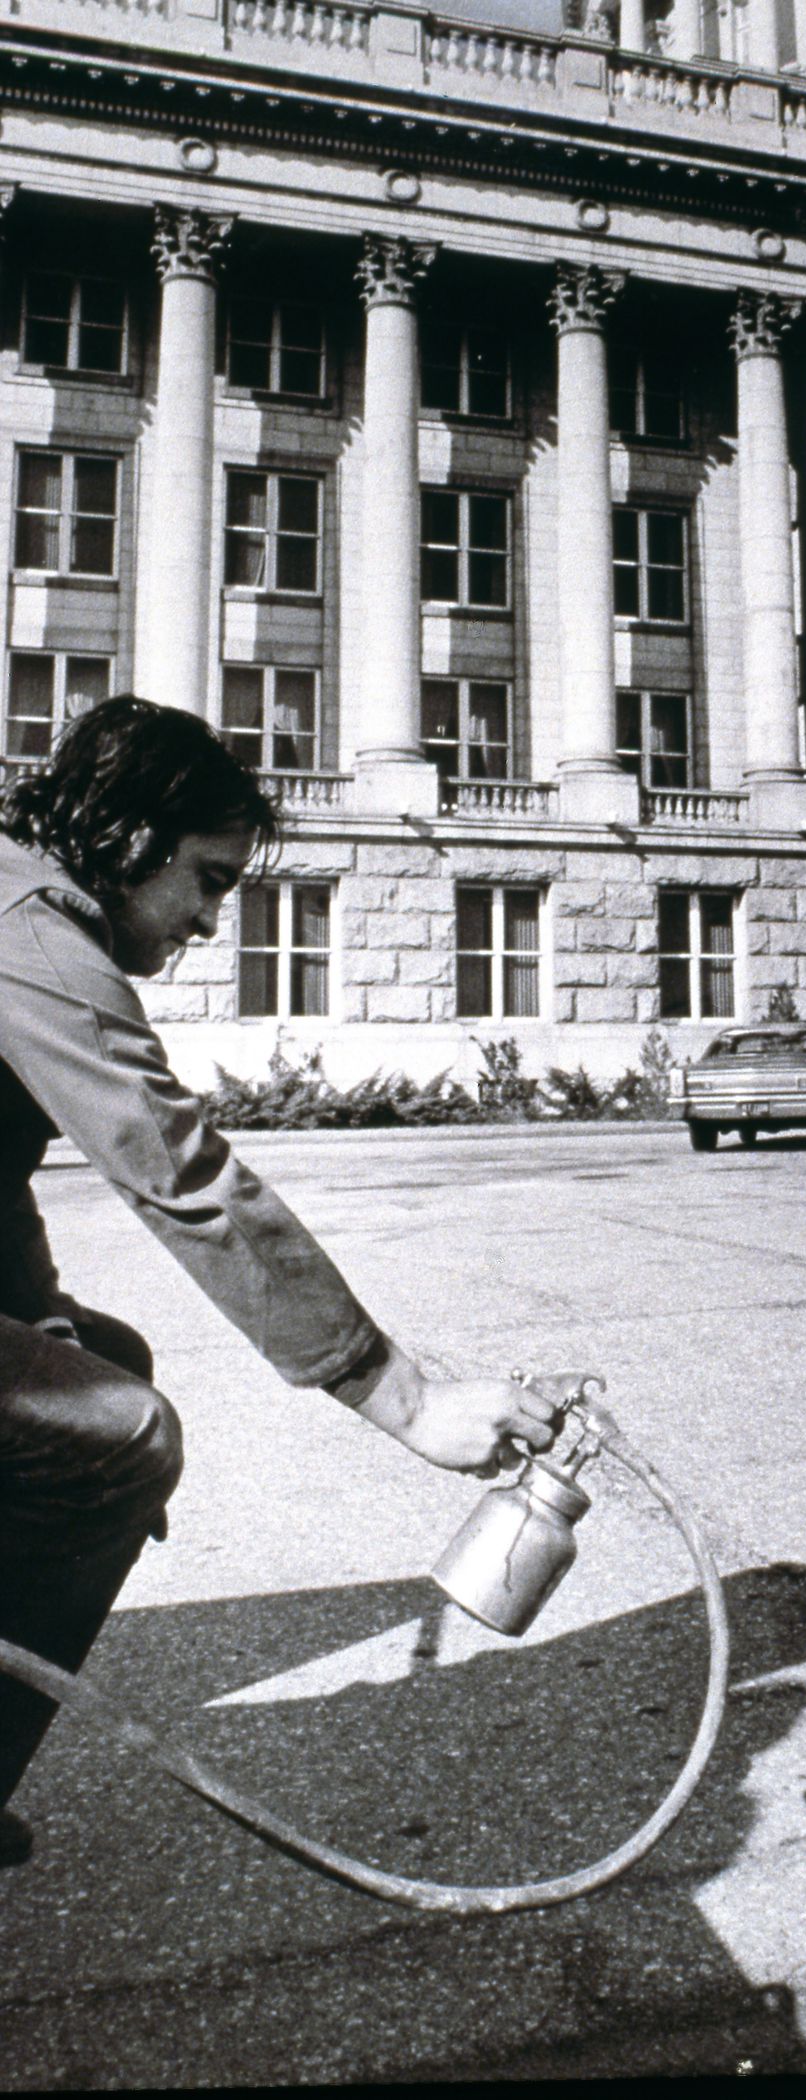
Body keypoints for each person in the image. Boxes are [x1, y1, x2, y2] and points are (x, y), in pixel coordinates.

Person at [0, 696, 563, 1865]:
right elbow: (181, 1174)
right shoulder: (30, 928)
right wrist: (401, 1397)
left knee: (98, 1361)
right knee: (119, 1434)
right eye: (206, 879)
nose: (212, 918)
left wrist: (38, 1308)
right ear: (124, 838)